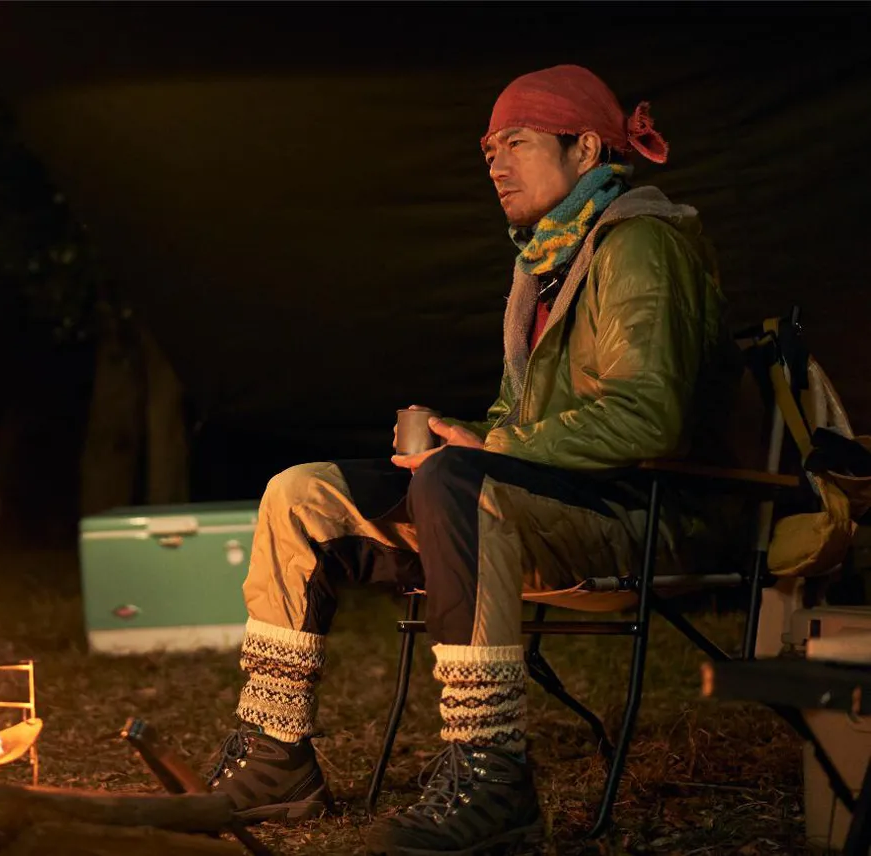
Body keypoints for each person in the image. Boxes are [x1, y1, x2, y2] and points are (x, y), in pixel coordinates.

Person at [205, 65, 750, 854]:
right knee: (302, 492)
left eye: (517, 144)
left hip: (636, 511)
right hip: (535, 501)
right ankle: (274, 755)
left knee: (462, 479)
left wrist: (488, 449)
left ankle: (492, 776)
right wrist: (469, 433)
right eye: (489, 148)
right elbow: (521, 420)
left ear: (585, 146)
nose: (494, 163)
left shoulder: (641, 245)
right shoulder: (544, 260)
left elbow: (649, 415)